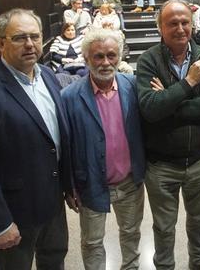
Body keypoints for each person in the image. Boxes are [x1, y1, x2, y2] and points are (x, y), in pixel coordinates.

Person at [0, 9, 74, 269]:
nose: (29, 44)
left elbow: (56, 140)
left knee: (54, 261)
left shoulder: (48, 76)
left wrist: (69, 185)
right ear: (1, 44)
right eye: (19, 38)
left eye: (35, 36)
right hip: (13, 214)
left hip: (52, 204)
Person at [136, 0, 200, 270]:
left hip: (199, 160)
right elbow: (151, 109)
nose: (180, 28)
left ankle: (198, 263)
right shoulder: (148, 60)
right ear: (160, 27)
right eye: (172, 23)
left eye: (185, 22)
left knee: (199, 221)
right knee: (164, 227)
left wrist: (171, 102)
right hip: (161, 165)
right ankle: (165, 266)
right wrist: (190, 83)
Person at [61, 28, 145, 270]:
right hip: (91, 184)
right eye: (98, 56)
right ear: (86, 59)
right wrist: (70, 186)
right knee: (92, 241)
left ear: (119, 57)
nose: (106, 62)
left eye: (111, 55)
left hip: (130, 182)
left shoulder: (133, 86)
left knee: (131, 233)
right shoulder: (69, 97)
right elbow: (65, 147)